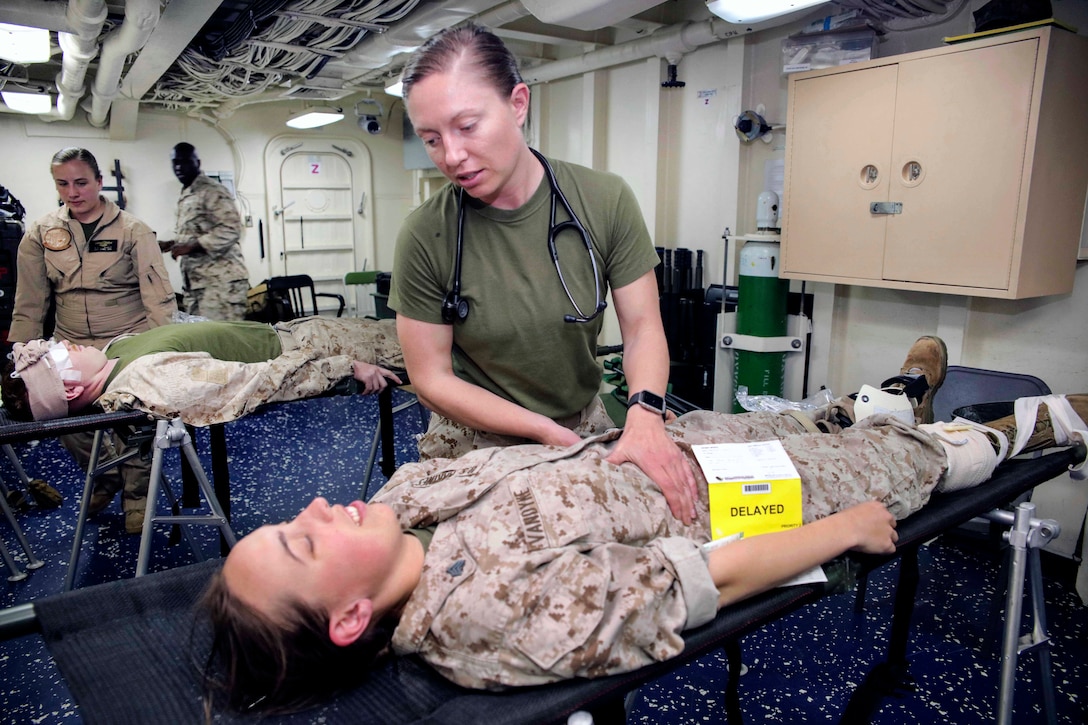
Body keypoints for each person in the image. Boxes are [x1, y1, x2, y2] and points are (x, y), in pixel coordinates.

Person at [201, 337, 1087, 712]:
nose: (318, 506)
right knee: (900, 468)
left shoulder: (398, 504)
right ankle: (1023, 428)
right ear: (350, 617)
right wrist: (844, 529)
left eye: (296, 518)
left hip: (669, 448)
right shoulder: (488, 618)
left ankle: (883, 400)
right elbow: (703, 581)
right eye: (306, 541)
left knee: (805, 417)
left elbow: (536, 457)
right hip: (732, 504)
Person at [388, 24, 699, 523]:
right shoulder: (427, 235)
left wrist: (644, 414)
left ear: (517, 103)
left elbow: (643, 327)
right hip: (474, 441)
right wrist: (545, 433)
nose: (451, 156)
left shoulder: (603, 199)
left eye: (467, 126)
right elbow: (432, 379)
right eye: (431, 139)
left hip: (584, 421)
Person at [8, 147, 178, 534]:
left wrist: (163, 349)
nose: (72, 191)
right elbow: (30, 298)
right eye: (62, 183)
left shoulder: (133, 230)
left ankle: (137, 498)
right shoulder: (40, 232)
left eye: (81, 182)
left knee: (131, 421)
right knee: (63, 419)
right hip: (69, 344)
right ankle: (106, 477)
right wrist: (22, 354)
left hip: (126, 340)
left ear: (99, 182)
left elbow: (158, 296)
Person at [2, 317, 404, 428]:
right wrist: (344, 367)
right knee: (431, 343)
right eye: (56, 358)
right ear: (70, 392)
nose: (62, 346)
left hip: (299, 331)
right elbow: (254, 384)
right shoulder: (150, 380)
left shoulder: (114, 353)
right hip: (314, 351)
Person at [158, 143, 249, 321]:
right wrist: (171, 244)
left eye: (185, 162)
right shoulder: (187, 194)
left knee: (221, 340)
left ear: (197, 163)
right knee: (203, 339)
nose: (178, 167)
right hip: (198, 284)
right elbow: (194, 233)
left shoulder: (212, 190)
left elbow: (231, 229)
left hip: (221, 284)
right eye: (175, 162)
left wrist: (192, 246)